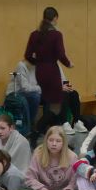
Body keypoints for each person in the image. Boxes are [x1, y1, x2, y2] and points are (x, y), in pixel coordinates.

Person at [24, 7, 72, 136]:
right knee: (56, 104)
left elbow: (27, 55)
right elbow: (61, 55)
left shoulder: (34, 34)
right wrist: (68, 64)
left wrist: (38, 63)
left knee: (47, 100)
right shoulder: (56, 35)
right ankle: (39, 129)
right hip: (52, 71)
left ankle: (44, 131)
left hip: (40, 71)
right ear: (55, 18)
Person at [21, 125, 77, 190]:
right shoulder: (38, 154)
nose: (54, 144)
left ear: (63, 143)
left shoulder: (72, 156)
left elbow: (74, 180)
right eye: (51, 140)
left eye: (58, 141)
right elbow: (30, 177)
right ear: (46, 141)